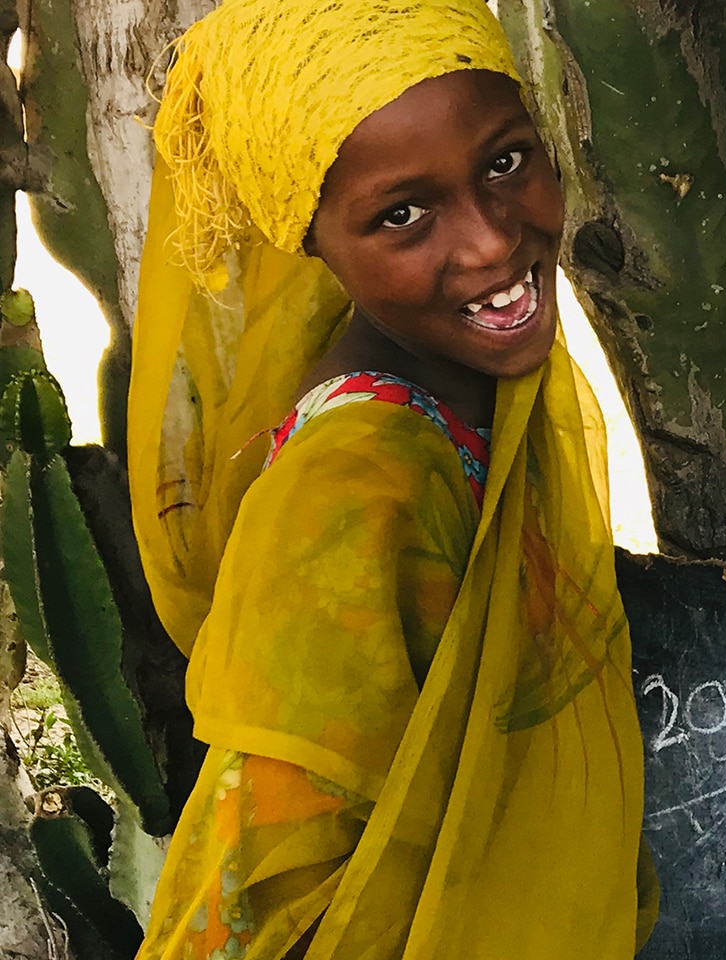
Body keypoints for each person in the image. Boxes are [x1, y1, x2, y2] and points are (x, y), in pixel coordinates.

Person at [125, 1, 657, 956]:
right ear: (311, 239)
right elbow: (250, 891)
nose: (493, 242)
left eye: (504, 162)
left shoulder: (467, 398)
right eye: (402, 215)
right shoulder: (354, 488)